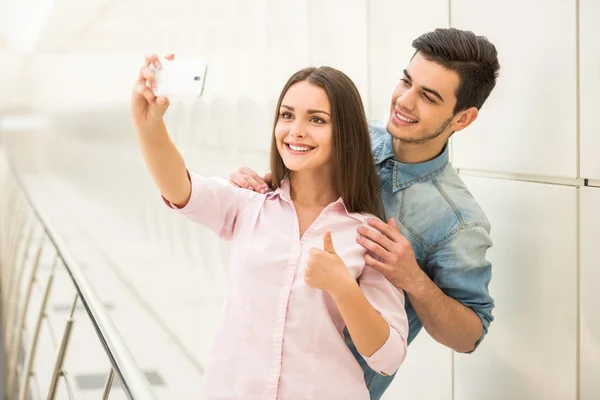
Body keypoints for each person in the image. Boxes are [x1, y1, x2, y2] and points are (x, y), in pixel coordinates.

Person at [229, 27, 500, 399]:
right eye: (406, 81)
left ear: (462, 119)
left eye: (428, 96)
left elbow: (469, 336)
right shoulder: (350, 132)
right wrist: (263, 184)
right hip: (255, 377)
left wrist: (414, 279)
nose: (404, 101)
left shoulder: (458, 221)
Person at [131, 56, 409, 399]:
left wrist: (344, 289)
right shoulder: (248, 203)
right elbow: (180, 189)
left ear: (345, 134)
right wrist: (149, 126)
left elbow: (388, 358)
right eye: (287, 115)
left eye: (317, 120)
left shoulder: (367, 234)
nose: (296, 130)